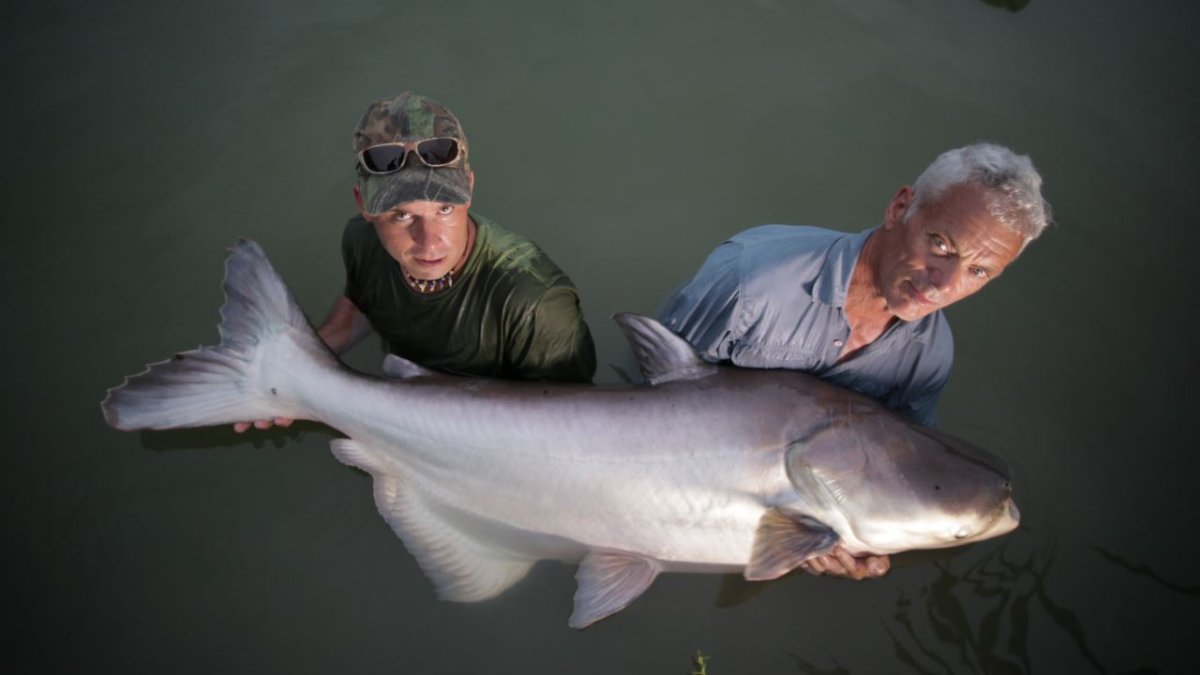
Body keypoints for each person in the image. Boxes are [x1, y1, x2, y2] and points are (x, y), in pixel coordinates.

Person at [659, 142, 1050, 578]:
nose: (945, 284)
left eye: (978, 272)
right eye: (941, 244)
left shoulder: (929, 357)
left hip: (784, 484)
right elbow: (659, 388)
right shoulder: (752, 283)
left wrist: (858, 543)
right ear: (899, 207)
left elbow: (897, 462)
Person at [235, 93, 596, 433]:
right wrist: (290, 373)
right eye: (402, 216)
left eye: (444, 208)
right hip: (404, 404)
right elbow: (362, 303)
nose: (430, 240)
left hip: (487, 438)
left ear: (468, 188)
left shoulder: (536, 301)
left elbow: (570, 432)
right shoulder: (362, 240)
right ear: (365, 205)